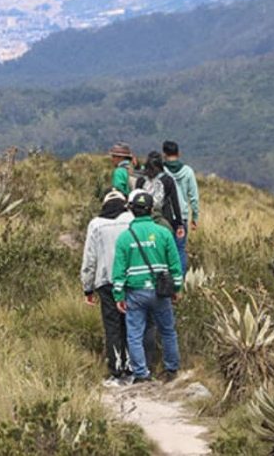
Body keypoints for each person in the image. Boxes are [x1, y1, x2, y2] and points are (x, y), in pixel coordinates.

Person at [112, 191, 183, 383]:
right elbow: (175, 265)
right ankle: (171, 370)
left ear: (133, 210)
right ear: (152, 210)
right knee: (167, 330)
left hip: (135, 292)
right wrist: (177, 289)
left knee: (134, 334)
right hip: (160, 292)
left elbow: (118, 271)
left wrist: (118, 295)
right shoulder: (164, 234)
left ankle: (141, 374)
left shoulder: (124, 238)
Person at [80, 190, 135, 386]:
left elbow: (90, 258)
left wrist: (87, 288)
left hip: (105, 282)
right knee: (131, 323)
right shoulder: (131, 219)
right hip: (130, 280)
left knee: (112, 326)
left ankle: (117, 371)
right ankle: (132, 368)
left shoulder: (96, 224)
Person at [163, 140, 199, 274]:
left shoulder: (162, 170)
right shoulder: (188, 172)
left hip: (164, 216)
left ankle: (164, 282)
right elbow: (194, 197)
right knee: (180, 250)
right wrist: (195, 217)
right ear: (178, 154)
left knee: (164, 250)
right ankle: (180, 281)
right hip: (181, 217)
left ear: (164, 154)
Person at [136, 152, 185, 239]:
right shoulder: (168, 180)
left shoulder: (141, 180)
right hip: (164, 218)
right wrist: (179, 223)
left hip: (144, 218)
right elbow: (175, 203)